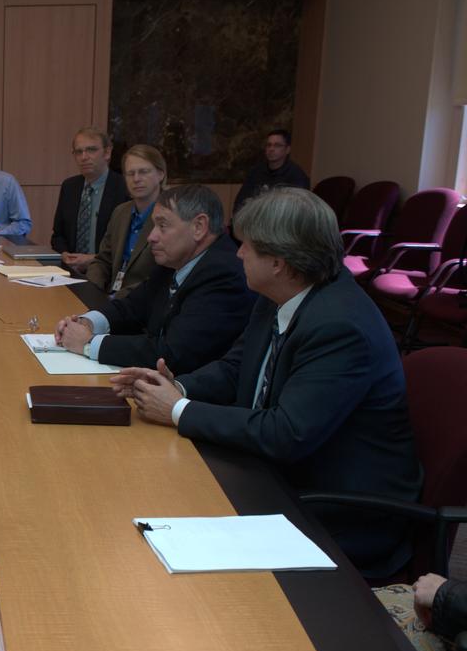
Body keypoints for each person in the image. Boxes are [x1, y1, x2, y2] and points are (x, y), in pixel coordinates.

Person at [113, 188, 421, 578]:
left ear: (279, 262)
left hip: (337, 511)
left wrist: (177, 410)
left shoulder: (342, 327)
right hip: (272, 476)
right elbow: (235, 367)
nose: (237, 253)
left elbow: (285, 433)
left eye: (248, 247)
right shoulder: (279, 294)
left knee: (159, 549)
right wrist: (175, 388)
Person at [55, 184, 254, 374]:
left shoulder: (224, 274)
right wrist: (87, 322)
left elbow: (173, 353)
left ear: (199, 226)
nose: (151, 236)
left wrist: (89, 344)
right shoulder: (174, 261)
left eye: (162, 226)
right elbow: (131, 308)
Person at [84, 145, 167, 297]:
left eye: (143, 172)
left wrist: (115, 300)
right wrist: (91, 292)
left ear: (160, 174)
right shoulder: (120, 212)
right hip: (108, 300)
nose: (136, 179)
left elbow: (162, 276)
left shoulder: (172, 215)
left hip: (143, 305)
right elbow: (102, 260)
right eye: (130, 173)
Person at [52, 127, 129, 269]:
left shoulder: (124, 187)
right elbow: (58, 235)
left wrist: (94, 259)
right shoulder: (69, 187)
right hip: (70, 271)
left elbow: (128, 243)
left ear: (107, 153)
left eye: (91, 150)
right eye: (78, 152)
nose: (84, 157)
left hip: (107, 272)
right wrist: (63, 253)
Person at [232, 129, 310, 217]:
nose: (271, 149)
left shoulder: (297, 176)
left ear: (287, 149)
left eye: (277, 145)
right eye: (269, 145)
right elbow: (240, 202)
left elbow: (298, 211)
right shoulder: (256, 171)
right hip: (254, 221)